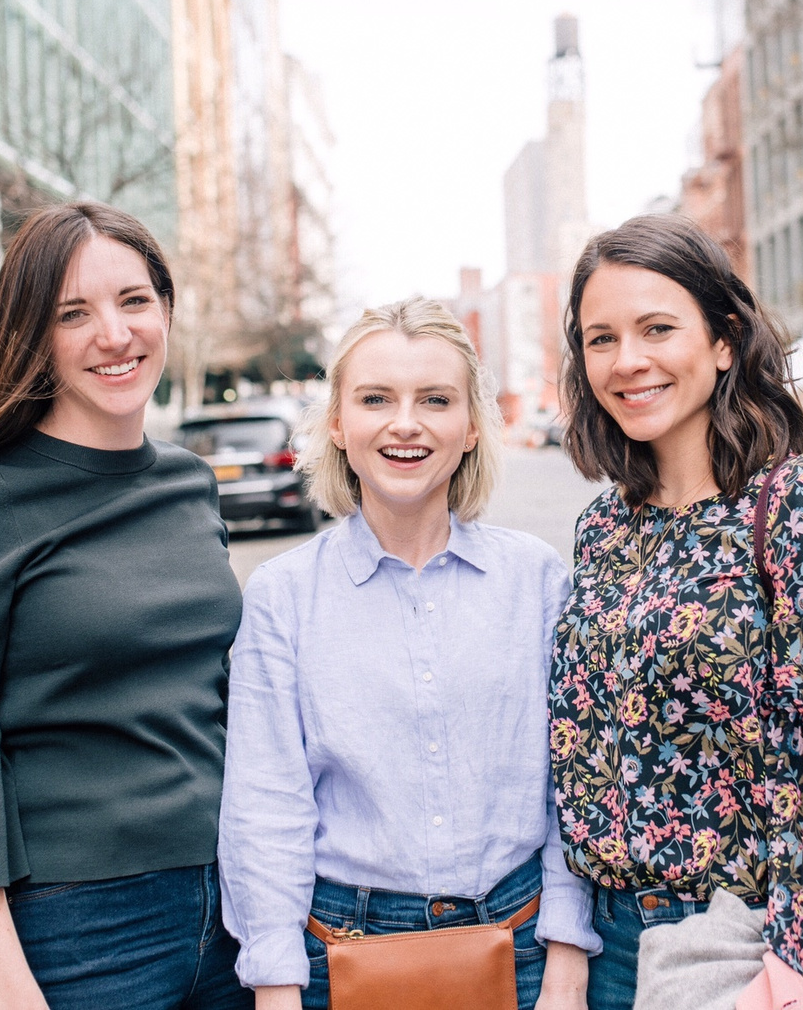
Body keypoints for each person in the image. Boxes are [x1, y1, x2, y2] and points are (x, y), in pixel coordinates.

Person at [548, 213, 803, 1010]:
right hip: (608, 943)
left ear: (724, 340)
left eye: (658, 328)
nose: (630, 361)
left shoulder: (802, 507)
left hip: (749, 943)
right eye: (602, 339)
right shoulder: (604, 528)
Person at [0, 202, 250, 1010]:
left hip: (235, 915)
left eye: (133, 300)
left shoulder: (189, 484)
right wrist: (7, 987)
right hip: (78, 930)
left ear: (166, 308)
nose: (113, 335)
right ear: (33, 337)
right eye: (72, 314)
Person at [218, 297, 599, 1010]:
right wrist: (275, 987)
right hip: (343, 954)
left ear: (471, 427)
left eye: (435, 399)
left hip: (522, 946)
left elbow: (572, 788)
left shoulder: (538, 581)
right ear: (338, 422)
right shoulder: (283, 596)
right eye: (375, 398)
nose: (405, 422)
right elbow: (265, 807)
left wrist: (567, 957)